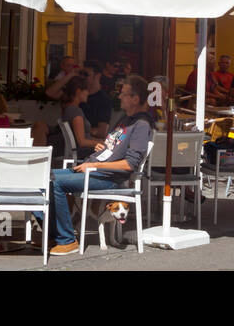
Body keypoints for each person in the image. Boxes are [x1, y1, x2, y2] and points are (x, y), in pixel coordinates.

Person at [38, 76, 151, 255]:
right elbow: (113, 145)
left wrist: (94, 166)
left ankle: (67, 240)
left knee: (55, 183)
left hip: (107, 178)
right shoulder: (125, 120)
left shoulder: (141, 125)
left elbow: (130, 164)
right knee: (38, 177)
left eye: (123, 94)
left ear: (135, 99)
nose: (119, 97)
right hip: (94, 169)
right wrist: (102, 147)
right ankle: (54, 233)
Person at [82, 60, 115, 131]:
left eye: (86, 74)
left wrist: (78, 130)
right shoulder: (79, 94)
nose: (82, 77)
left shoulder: (104, 99)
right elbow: (52, 93)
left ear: (97, 76)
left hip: (87, 139)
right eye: (82, 74)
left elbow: (102, 131)